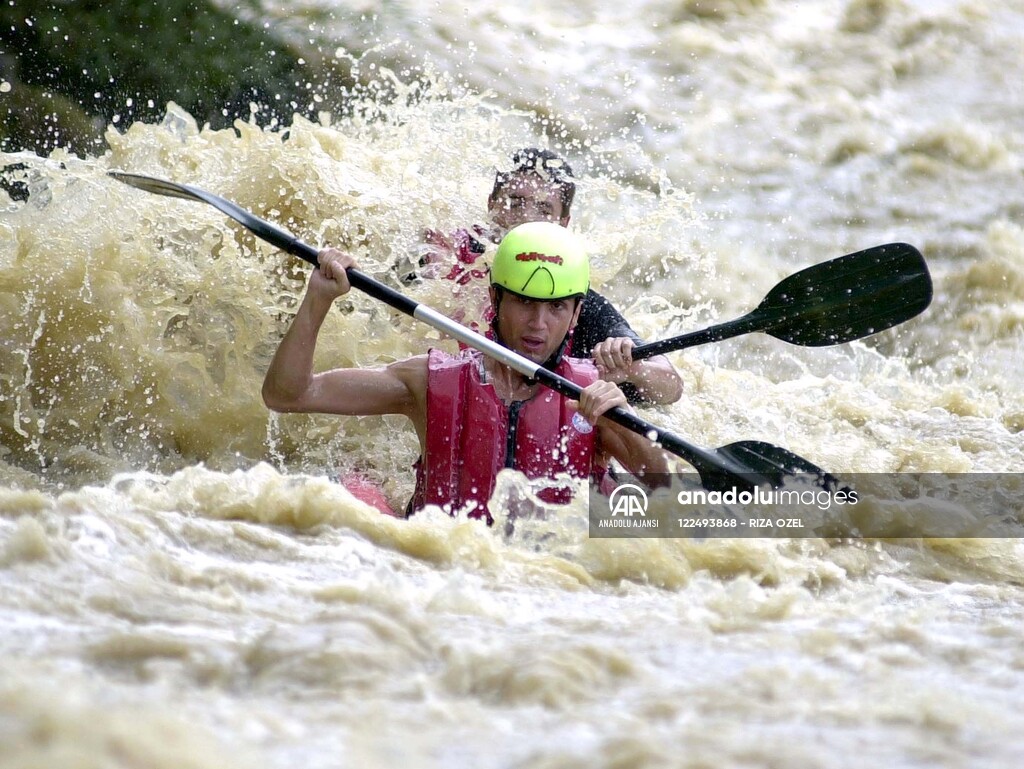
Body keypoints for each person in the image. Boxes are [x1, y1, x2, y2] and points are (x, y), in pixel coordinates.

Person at [263, 221, 670, 525]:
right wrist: (318, 299)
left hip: (551, 583)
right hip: (444, 573)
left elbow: (669, 499)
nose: (538, 324)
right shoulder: (429, 382)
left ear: (577, 313)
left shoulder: (593, 398)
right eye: (525, 303)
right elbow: (290, 395)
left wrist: (628, 423)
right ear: (496, 298)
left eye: (556, 308)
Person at [408, 148, 683, 407]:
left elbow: (670, 386)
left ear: (563, 223)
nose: (526, 218)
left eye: (543, 210)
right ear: (491, 204)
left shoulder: (574, 301)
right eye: (515, 203)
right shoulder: (444, 256)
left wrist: (629, 366)